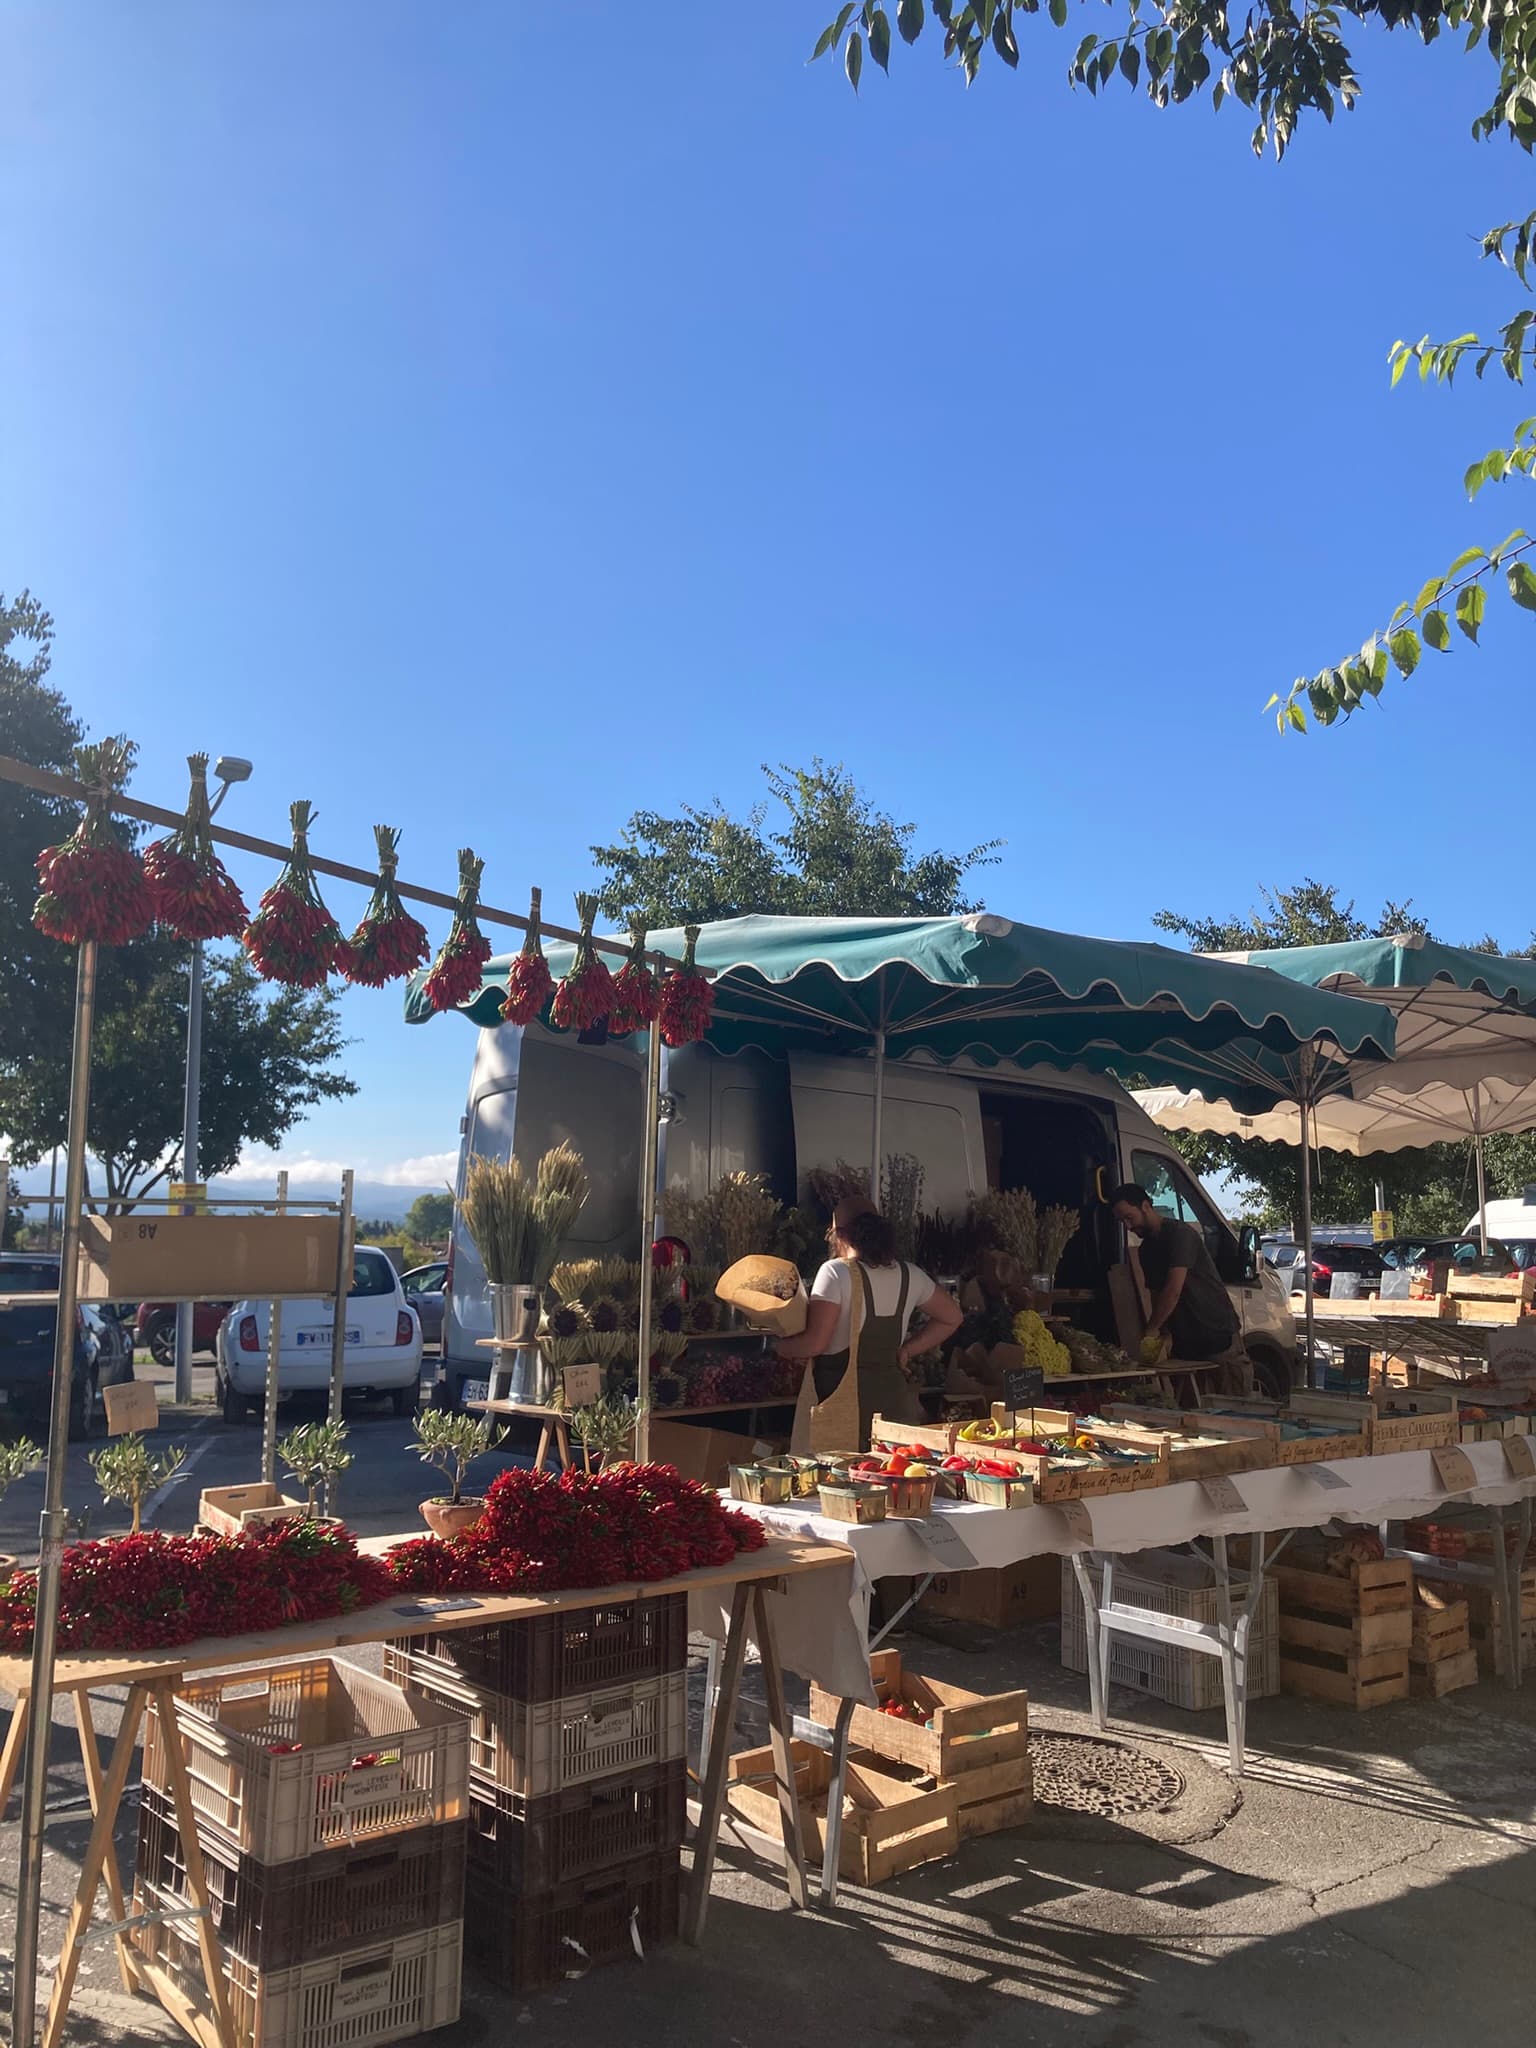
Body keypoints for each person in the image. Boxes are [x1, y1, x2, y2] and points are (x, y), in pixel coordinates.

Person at [775, 1196, 962, 1441]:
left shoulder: (835, 1272)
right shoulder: (910, 1274)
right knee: (895, 1464)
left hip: (845, 1415)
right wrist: (908, 1349)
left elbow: (815, 1343)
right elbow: (952, 1317)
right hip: (895, 1411)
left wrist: (779, 1347)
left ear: (839, 1235)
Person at [1109, 1182, 1242, 1362]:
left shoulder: (1180, 1235)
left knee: (1227, 1380)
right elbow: (1156, 1295)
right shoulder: (1146, 1250)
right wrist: (1163, 1332)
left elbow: (1173, 1291)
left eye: (1129, 1217)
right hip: (1185, 1343)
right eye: (1122, 1221)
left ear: (1146, 1206)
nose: (1128, 1226)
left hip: (1217, 1335)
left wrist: (1151, 1329)